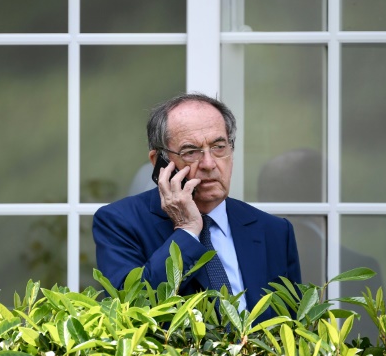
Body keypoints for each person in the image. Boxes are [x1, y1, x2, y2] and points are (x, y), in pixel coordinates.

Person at [92, 92, 301, 318]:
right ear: (159, 162)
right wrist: (187, 230)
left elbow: (293, 324)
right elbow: (133, 309)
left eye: (219, 147)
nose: (209, 164)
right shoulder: (119, 222)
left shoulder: (274, 230)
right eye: (191, 152)